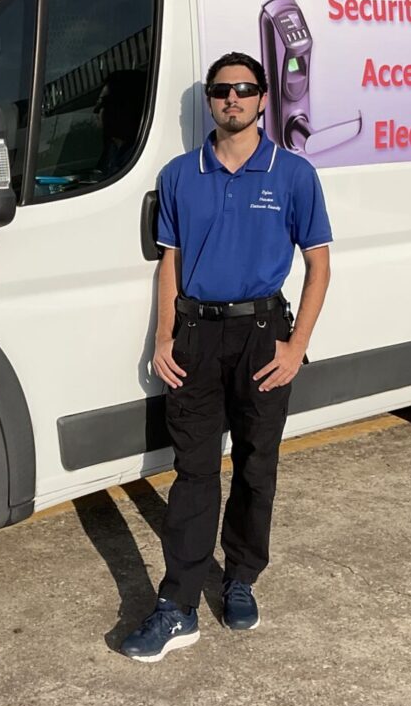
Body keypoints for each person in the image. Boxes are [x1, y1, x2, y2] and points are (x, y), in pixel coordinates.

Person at [119, 51, 332, 662]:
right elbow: (171, 263)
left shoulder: (293, 174)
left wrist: (297, 348)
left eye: (243, 89)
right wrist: (164, 338)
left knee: (257, 466)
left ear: (264, 98)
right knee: (193, 473)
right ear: (210, 101)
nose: (231, 99)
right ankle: (178, 604)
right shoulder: (182, 174)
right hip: (196, 337)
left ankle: (240, 578)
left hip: (263, 334)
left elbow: (318, 267)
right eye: (220, 91)